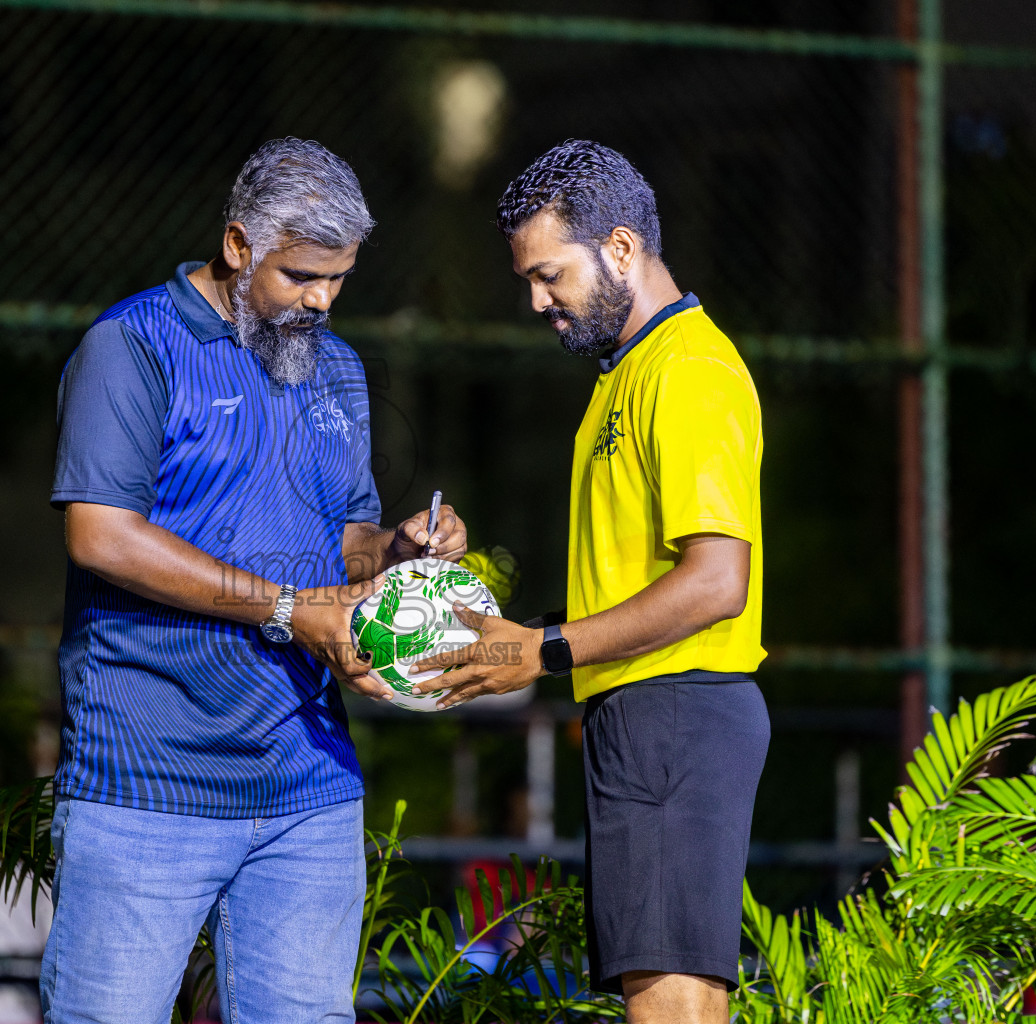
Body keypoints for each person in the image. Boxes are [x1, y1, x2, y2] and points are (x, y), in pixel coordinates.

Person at [41, 137, 467, 1024]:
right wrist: (284, 608)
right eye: (301, 275)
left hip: (307, 787)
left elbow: (343, 542)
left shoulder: (338, 369)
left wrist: (402, 552)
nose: (321, 300)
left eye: (338, 279)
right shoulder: (131, 347)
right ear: (238, 245)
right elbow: (102, 535)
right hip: (145, 782)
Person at [413, 139, 769, 1024]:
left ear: (619, 247)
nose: (537, 300)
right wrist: (507, 633)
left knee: (674, 1005)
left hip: (677, 712)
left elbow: (717, 582)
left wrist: (545, 649)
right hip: (643, 714)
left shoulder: (687, 371)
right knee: (656, 998)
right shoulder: (628, 373)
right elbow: (634, 584)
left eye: (549, 275)